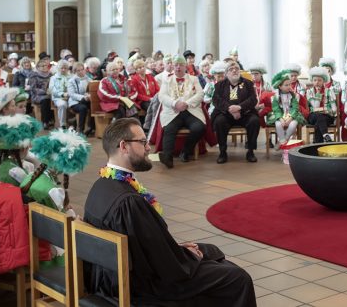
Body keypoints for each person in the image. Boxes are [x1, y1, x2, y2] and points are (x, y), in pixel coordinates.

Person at [84, 118, 256, 306]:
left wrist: (182, 251)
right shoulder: (129, 202)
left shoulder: (101, 185)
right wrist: (187, 255)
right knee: (237, 278)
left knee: (211, 251)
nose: (148, 147)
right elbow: (163, 264)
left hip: (112, 276)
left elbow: (148, 248)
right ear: (123, 146)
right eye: (142, 142)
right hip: (141, 286)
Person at [153, 56, 206, 169]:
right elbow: (162, 96)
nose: (178, 67)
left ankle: (186, 151)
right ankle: (168, 158)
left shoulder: (194, 79)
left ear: (185, 66)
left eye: (181, 65)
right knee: (169, 129)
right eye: (176, 65)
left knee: (199, 127)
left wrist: (186, 103)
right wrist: (175, 103)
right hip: (173, 112)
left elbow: (200, 94)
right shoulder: (166, 80)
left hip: (191, 111)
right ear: (173, 66)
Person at [211, 62, 259, 164]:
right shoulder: (219, 85)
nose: (234, 70)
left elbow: (253, 100)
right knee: (219, 122)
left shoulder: (248, 83)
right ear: (226, 73)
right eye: (231, 69)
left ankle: (250, 151)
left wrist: (239, 107)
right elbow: (216, 100)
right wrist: (229, 109)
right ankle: (222, 152)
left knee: (254, 121)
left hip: (245, 113)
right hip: (226, 114)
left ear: (240, 71)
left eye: (236, 68)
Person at [266, 70, 306, 145]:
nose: (289, 87)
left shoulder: (293, 96)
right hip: (280, 115)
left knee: (293, 124)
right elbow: (276, 109)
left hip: (292, 115)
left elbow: (295, 108)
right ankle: (282, 140)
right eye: (286, 85)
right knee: (278, 124)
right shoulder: (276, 97)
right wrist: (281, 119)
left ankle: (283, 142)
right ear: (280, 87)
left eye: (289, 84)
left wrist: (290, 118)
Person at [304, 67, 336, 143]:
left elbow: (334, 109)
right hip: (313, 116)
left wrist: (327, 111)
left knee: (320, 120)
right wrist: (318, 94)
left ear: (323, 81)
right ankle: (325, 135)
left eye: (319, 80)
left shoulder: (329, 91)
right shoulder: (309, 92)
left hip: (327, 116)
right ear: (312, 81)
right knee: (318, 116)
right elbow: (315, 107)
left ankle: (317, 143)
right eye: (315, 80)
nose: (317, 82)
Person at [69, 61, 93, 135]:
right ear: (75, 71)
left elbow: (91, 89)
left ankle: (91, 127)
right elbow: (71, 94)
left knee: (94, 107)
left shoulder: (88, 79)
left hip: (86, 100)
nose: (80, 72)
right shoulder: (71, 81)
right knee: (83, 108)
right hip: (75, 102)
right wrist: (83, 97)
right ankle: (81, 129)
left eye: (82, 69)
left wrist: (89, 95)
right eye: (78, 70)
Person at [29, 59, 54, 128]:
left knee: (53, 99)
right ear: (38, 67)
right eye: (42, 66)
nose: (44, 67)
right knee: (46, 100)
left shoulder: (51, 75)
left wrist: (51, 91)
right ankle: (45, 121)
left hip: (49, 94)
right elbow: (33, 88)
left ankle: (51, 119)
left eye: (45, 65)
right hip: (37, 95)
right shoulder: (34, 75)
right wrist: (44, 91)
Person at [49, 59, 73, 128]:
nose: (63, 70)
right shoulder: (53, 78)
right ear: (58, 68)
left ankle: (74, 124)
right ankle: (63, 125)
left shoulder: (70, 77)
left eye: (65, 68)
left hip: (70, 97)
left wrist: (69, 94)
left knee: (78, 105)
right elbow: (52, 90)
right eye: (61, 68)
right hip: (58, 98)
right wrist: (62, 94)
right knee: (62, 104)